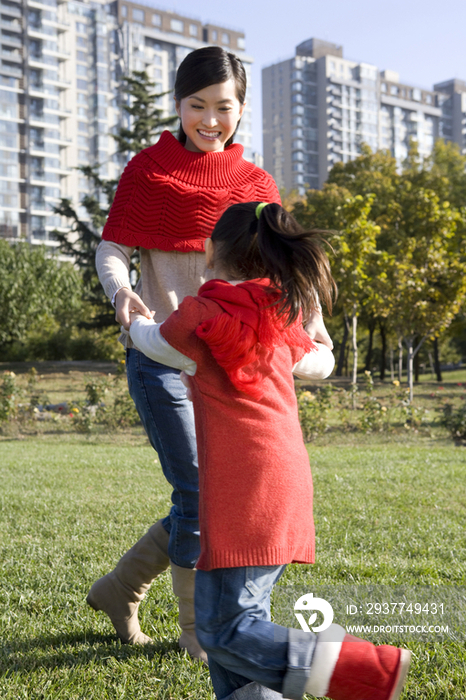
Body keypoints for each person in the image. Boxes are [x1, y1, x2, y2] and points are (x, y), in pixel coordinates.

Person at [88, 46, 331, 661]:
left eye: (224, 107)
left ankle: (120, 588)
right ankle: (197, 634)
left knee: (217, 493)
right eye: (197, 105)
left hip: (233, 364)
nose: (210, 119)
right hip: (161, 353)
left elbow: (284, 266)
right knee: (198, 490)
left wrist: (312, 332)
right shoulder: (147, 170)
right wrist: (122, 295)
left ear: (241, 109)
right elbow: (112, 247)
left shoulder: (256, 187)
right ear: (179, 104)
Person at [127, 202, 411, 700]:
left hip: (246, 495)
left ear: (210, 251)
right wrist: (312, 333)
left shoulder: (202, 316)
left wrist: (133, 320)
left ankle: (364, 669)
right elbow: (320, 363)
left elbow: (155, 345)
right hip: (280, 486)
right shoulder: (278, 315)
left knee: (223, 632)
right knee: (237, 631)